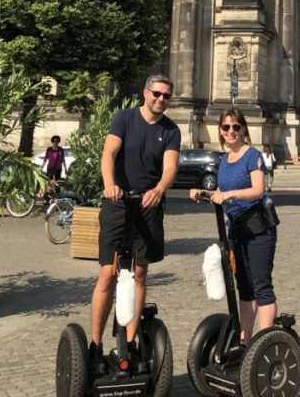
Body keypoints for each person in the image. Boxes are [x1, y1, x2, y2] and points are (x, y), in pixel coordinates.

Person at [89, 74, 180, 376]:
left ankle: (129, 344)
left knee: (140, 275)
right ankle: (94, 346)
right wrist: (109, 184)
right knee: (107, 275)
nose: (161, 100)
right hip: (118, 204)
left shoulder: (171, 130)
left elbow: (169, 168)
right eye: (156, 94)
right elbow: (108, 153)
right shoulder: (124, 118)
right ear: (145, 93)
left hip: (148, 207)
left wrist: (159, 189)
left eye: (166, 96)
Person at [191, 107, 278, 346]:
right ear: (220, 130)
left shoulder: (253, 155)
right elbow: (221, 192)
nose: (231, 131)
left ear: (243, 130)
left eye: (236, 127)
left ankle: (264, 344)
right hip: (237, 229)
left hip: (259, 227)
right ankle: (244, 341)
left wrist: (229, 194)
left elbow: (258, 190)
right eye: (226, 127)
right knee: (244, 286)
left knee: (261, 285)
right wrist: (203, 193)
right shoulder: (224, 160)